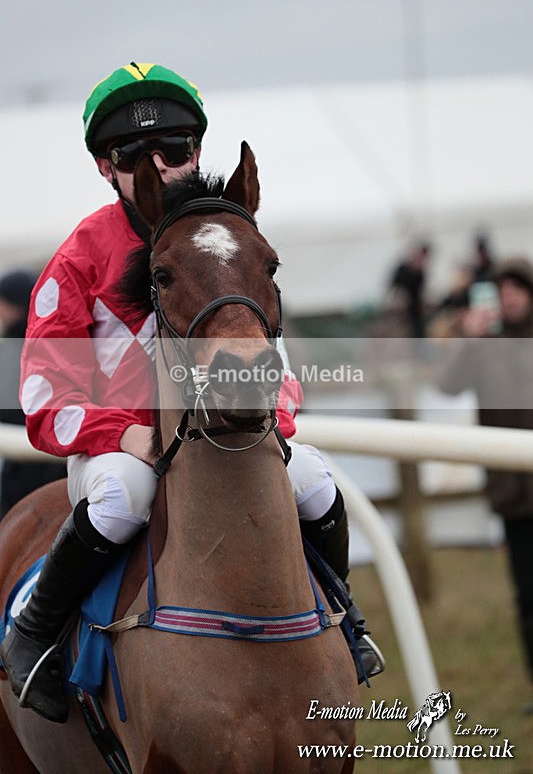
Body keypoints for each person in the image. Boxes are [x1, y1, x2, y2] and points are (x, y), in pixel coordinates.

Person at [0, 62, 382, 723]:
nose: (157, 163)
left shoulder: (226, 242)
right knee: (124, 493)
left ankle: (343, 619)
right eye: (132, 154)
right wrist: (122, 434)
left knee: (317, 479)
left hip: (229, 439)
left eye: (174, 148)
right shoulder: (77, 257)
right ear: (103, 167)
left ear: (197, 153)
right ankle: (34, 633)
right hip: (124, 449)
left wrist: (269, 415)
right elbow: (41, 394)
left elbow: (277, 366)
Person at [438, 257, 533, 713]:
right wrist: (468, 340)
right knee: (528, 598)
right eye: (503, 289)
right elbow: (447, 386)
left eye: (517, 287)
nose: (510, 295)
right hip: (514, 496)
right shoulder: (482, 343)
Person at [0, 269, 66, 518]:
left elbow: (9, 413)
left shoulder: (14, 351)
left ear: (13, 305)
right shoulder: (51, 344)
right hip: (54, 465)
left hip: (25, 471)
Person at [387, 241, 432, 337]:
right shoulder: (403, 269)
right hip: (402, 312)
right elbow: (394, 288)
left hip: (413, 313)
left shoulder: (421, 274)